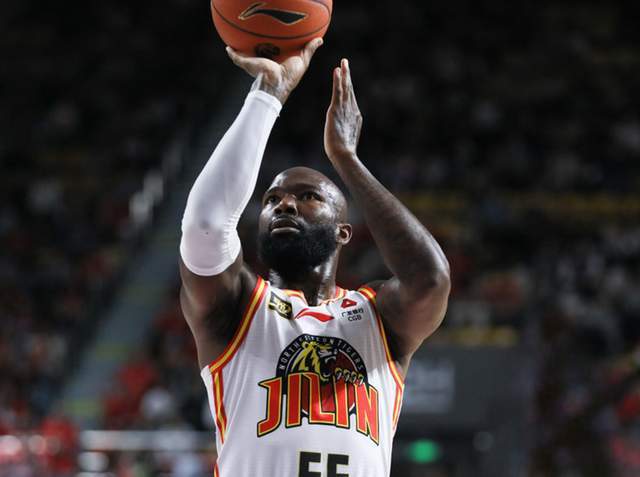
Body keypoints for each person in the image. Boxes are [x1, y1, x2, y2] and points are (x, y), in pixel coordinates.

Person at [178, 38, 450, 477]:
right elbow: (204, 226)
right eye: (272, 199)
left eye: (307, 196)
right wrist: (267, 95)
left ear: (344, 231)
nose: (284, 204)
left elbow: (431, 279)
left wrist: (347, 160)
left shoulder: (379, 316)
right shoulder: (237, 307)